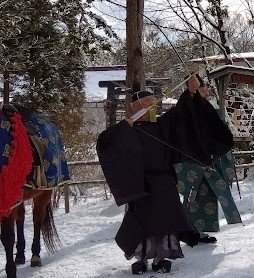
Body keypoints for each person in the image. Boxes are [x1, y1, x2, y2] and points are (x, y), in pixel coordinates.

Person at [96, 75, 234, 275]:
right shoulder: (128, 130)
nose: (151, 106)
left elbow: (182, 113)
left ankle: (161, 258)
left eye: (153, 103)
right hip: (142, 186)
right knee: (142, 222)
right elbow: (105, 143)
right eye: (146, 103)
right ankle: (141, 259)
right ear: (136, 107)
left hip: (164, 182)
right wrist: (123, 127)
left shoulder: (163, 125)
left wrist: (191, 92)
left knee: (167, 222)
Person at [175, 76, 242, 243]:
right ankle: (188, 231)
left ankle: (201, 231)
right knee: (192, 197)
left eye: (206, 93)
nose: (205, 96)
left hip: (212, 160)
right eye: (201, 92)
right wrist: (191, 93)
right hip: (192, 162)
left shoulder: (213, 112)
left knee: (208, 196)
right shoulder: (185, 111)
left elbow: (222, 136)